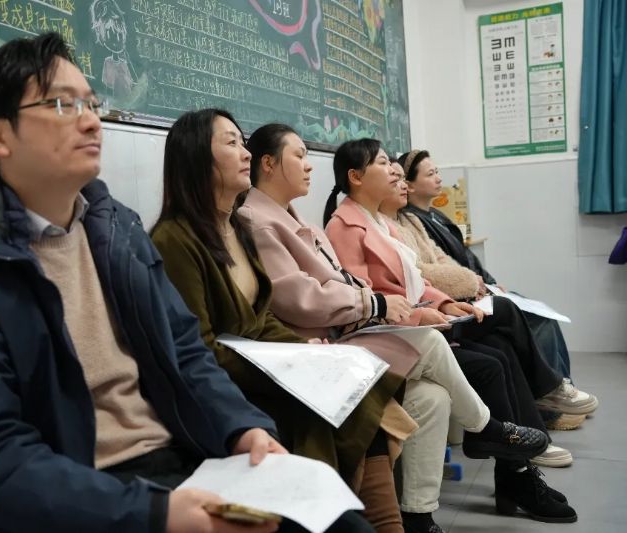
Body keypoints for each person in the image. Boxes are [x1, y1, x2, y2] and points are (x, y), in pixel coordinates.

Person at [0, 32, 343, 533]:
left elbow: (185, 351)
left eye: (92, 103)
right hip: (83, 495)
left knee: (337, 521)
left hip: (179, 462)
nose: (92, 121)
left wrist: (240, 427)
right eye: (63, 105)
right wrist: (153, 514)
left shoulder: (116, 230)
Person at [237, 123, 549, 533]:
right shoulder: (265, 222)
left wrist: (431, 302)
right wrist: (377, 304)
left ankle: (419, 515)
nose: (308, 165)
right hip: (325, 343)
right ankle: (487, 428)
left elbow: (385, 280)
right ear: (267, 163)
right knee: (442, 344)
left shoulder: (304, 221)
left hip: (355, 327)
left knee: (435, 397)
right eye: (299, 155)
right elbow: (303, 298)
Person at [151, 109, 412, 533]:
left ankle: (380, 521)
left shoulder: (234, 228)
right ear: (196, 156)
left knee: (360, 388)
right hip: (226, 383)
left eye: (244, 142)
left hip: (262, 364)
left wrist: (302, 349)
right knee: (333, 406)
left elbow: (260, 318)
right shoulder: (175, 239)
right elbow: (199, 347)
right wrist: (288, 364)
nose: (246, 153)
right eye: (231, 143)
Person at [324, 139, 578, 524]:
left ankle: (514, 470)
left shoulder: (383, 223)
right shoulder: (344, 226)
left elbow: (415, 280)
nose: (393, 172)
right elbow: (365, 300)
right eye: (383, 164)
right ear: (356, 177)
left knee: (498, 347)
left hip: (414, 326)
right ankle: (505, 450)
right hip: (387, 336)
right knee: (491, 360)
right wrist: (421, 314)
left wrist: (443, 303)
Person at [385, 161, 592, 434]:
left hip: (447, 301)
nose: (400, 184)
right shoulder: (379, 226)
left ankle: (535, 427)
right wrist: (470, 284)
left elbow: (444, 259)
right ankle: (549, 400)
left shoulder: (416, 219)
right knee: (513, 318)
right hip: (421, 320)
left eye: (401, 177)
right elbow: (417, 274)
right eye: (394, 177)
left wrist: (481, 282)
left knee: (509, 338)